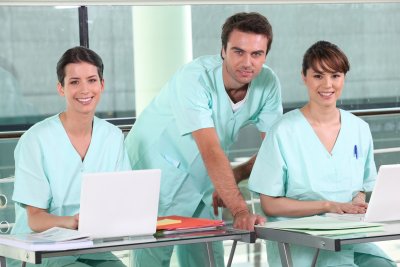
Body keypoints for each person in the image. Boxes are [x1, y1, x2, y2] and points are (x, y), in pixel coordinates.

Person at [125, 12, 282, 267]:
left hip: (205, 178)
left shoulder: (268, 83)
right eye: (238, 51)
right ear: (223, 50)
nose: (247, 62)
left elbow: (274, 149)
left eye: (257, 54)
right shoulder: (195, 78)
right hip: (158, 172)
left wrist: (236, 175)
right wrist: (240, 209)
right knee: (152, 259)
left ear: (265, 55)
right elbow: (210, 148)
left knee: (209, 260)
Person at [247, 41, 396, 267]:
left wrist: (356, 203)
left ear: (344, 77)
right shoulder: (283, 131)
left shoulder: (359, 128)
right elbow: (270, 205)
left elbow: (361, 188)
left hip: (348, 237)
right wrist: (328, 206)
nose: (327, 85)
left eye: (335, 75)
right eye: (318, 76)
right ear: (304, 77)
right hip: (300, 241)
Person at [8, 46, 131, 267]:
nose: (85, 90)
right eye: (74, 82)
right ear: (61, 88)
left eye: (92, 80)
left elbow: (122, 199)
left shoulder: (112, 137)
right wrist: (73, 222)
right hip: (38, 250)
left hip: (92, 247)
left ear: (102, 85)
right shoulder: (35, 140)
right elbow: (35, 218)